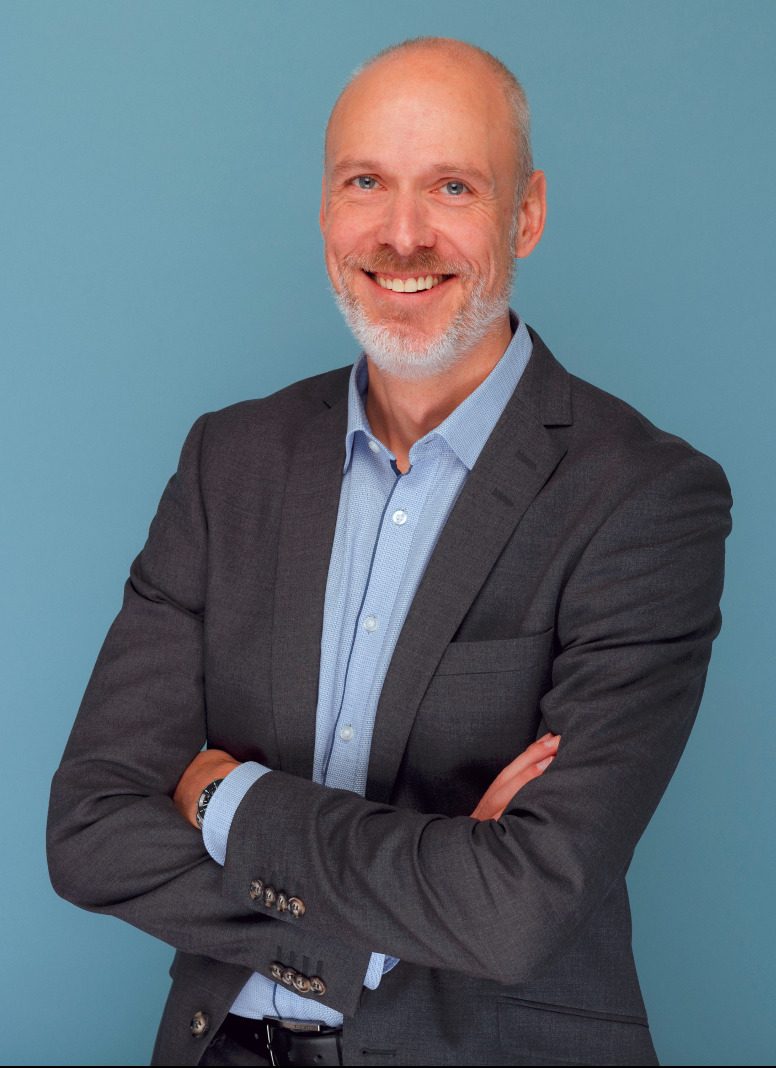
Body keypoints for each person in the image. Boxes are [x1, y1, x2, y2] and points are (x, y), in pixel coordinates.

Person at [47, 36, 732, 1067]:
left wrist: (222, 797)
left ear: (526, 214)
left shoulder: (642, 496)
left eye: (452, 186)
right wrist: (393, 910)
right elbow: (91, 829)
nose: (402, 236)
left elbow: (518, 909)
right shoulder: (229, 461)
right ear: (325, 207)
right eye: (365, 182)